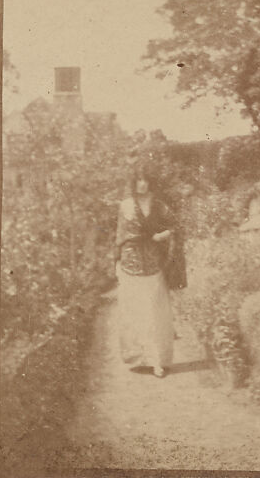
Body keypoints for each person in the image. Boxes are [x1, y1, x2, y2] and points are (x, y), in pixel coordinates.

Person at [114, 162, 184, 378]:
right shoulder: (125, 206)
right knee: (135, 312)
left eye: (146, 180)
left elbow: (176, 227)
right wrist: (117, 262)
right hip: (130, 264)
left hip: (153, 265)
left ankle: (157, 361)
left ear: (150, 182)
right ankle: (140, 358)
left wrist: (159, 236)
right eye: (138, 180)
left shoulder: (159, 206)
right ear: (133, 182)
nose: (142, 184)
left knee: (155, 313)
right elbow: (119, 236)